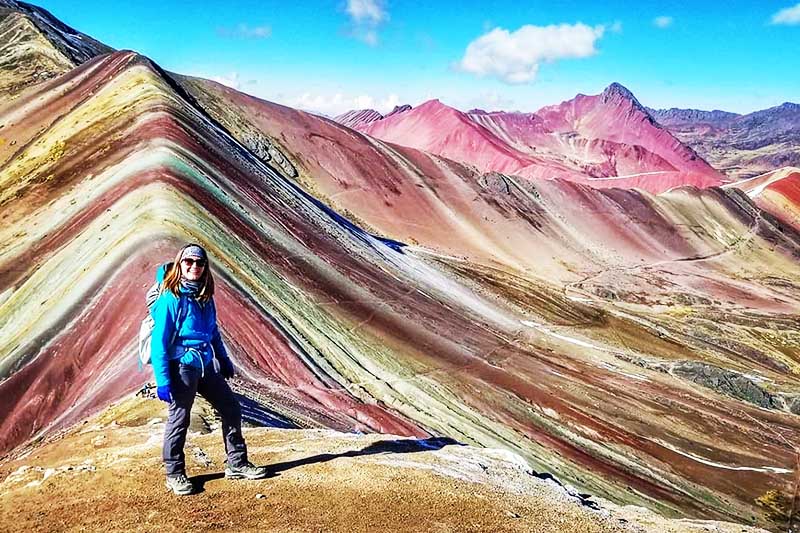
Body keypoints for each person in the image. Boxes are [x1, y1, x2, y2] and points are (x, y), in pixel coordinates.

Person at [150, 243, 268, 495]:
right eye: (188, 262)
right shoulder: (171, 298)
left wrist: (223, 359)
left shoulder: (204, 296)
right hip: (182, 367)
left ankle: (236, 463)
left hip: (205, 365)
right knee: (180, 419)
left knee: (231, 408)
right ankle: (175, 473)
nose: (194, 267)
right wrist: (162, 380)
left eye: (200, 263)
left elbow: (213, 332)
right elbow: (158, 342)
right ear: (180, 264)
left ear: (206, 268)